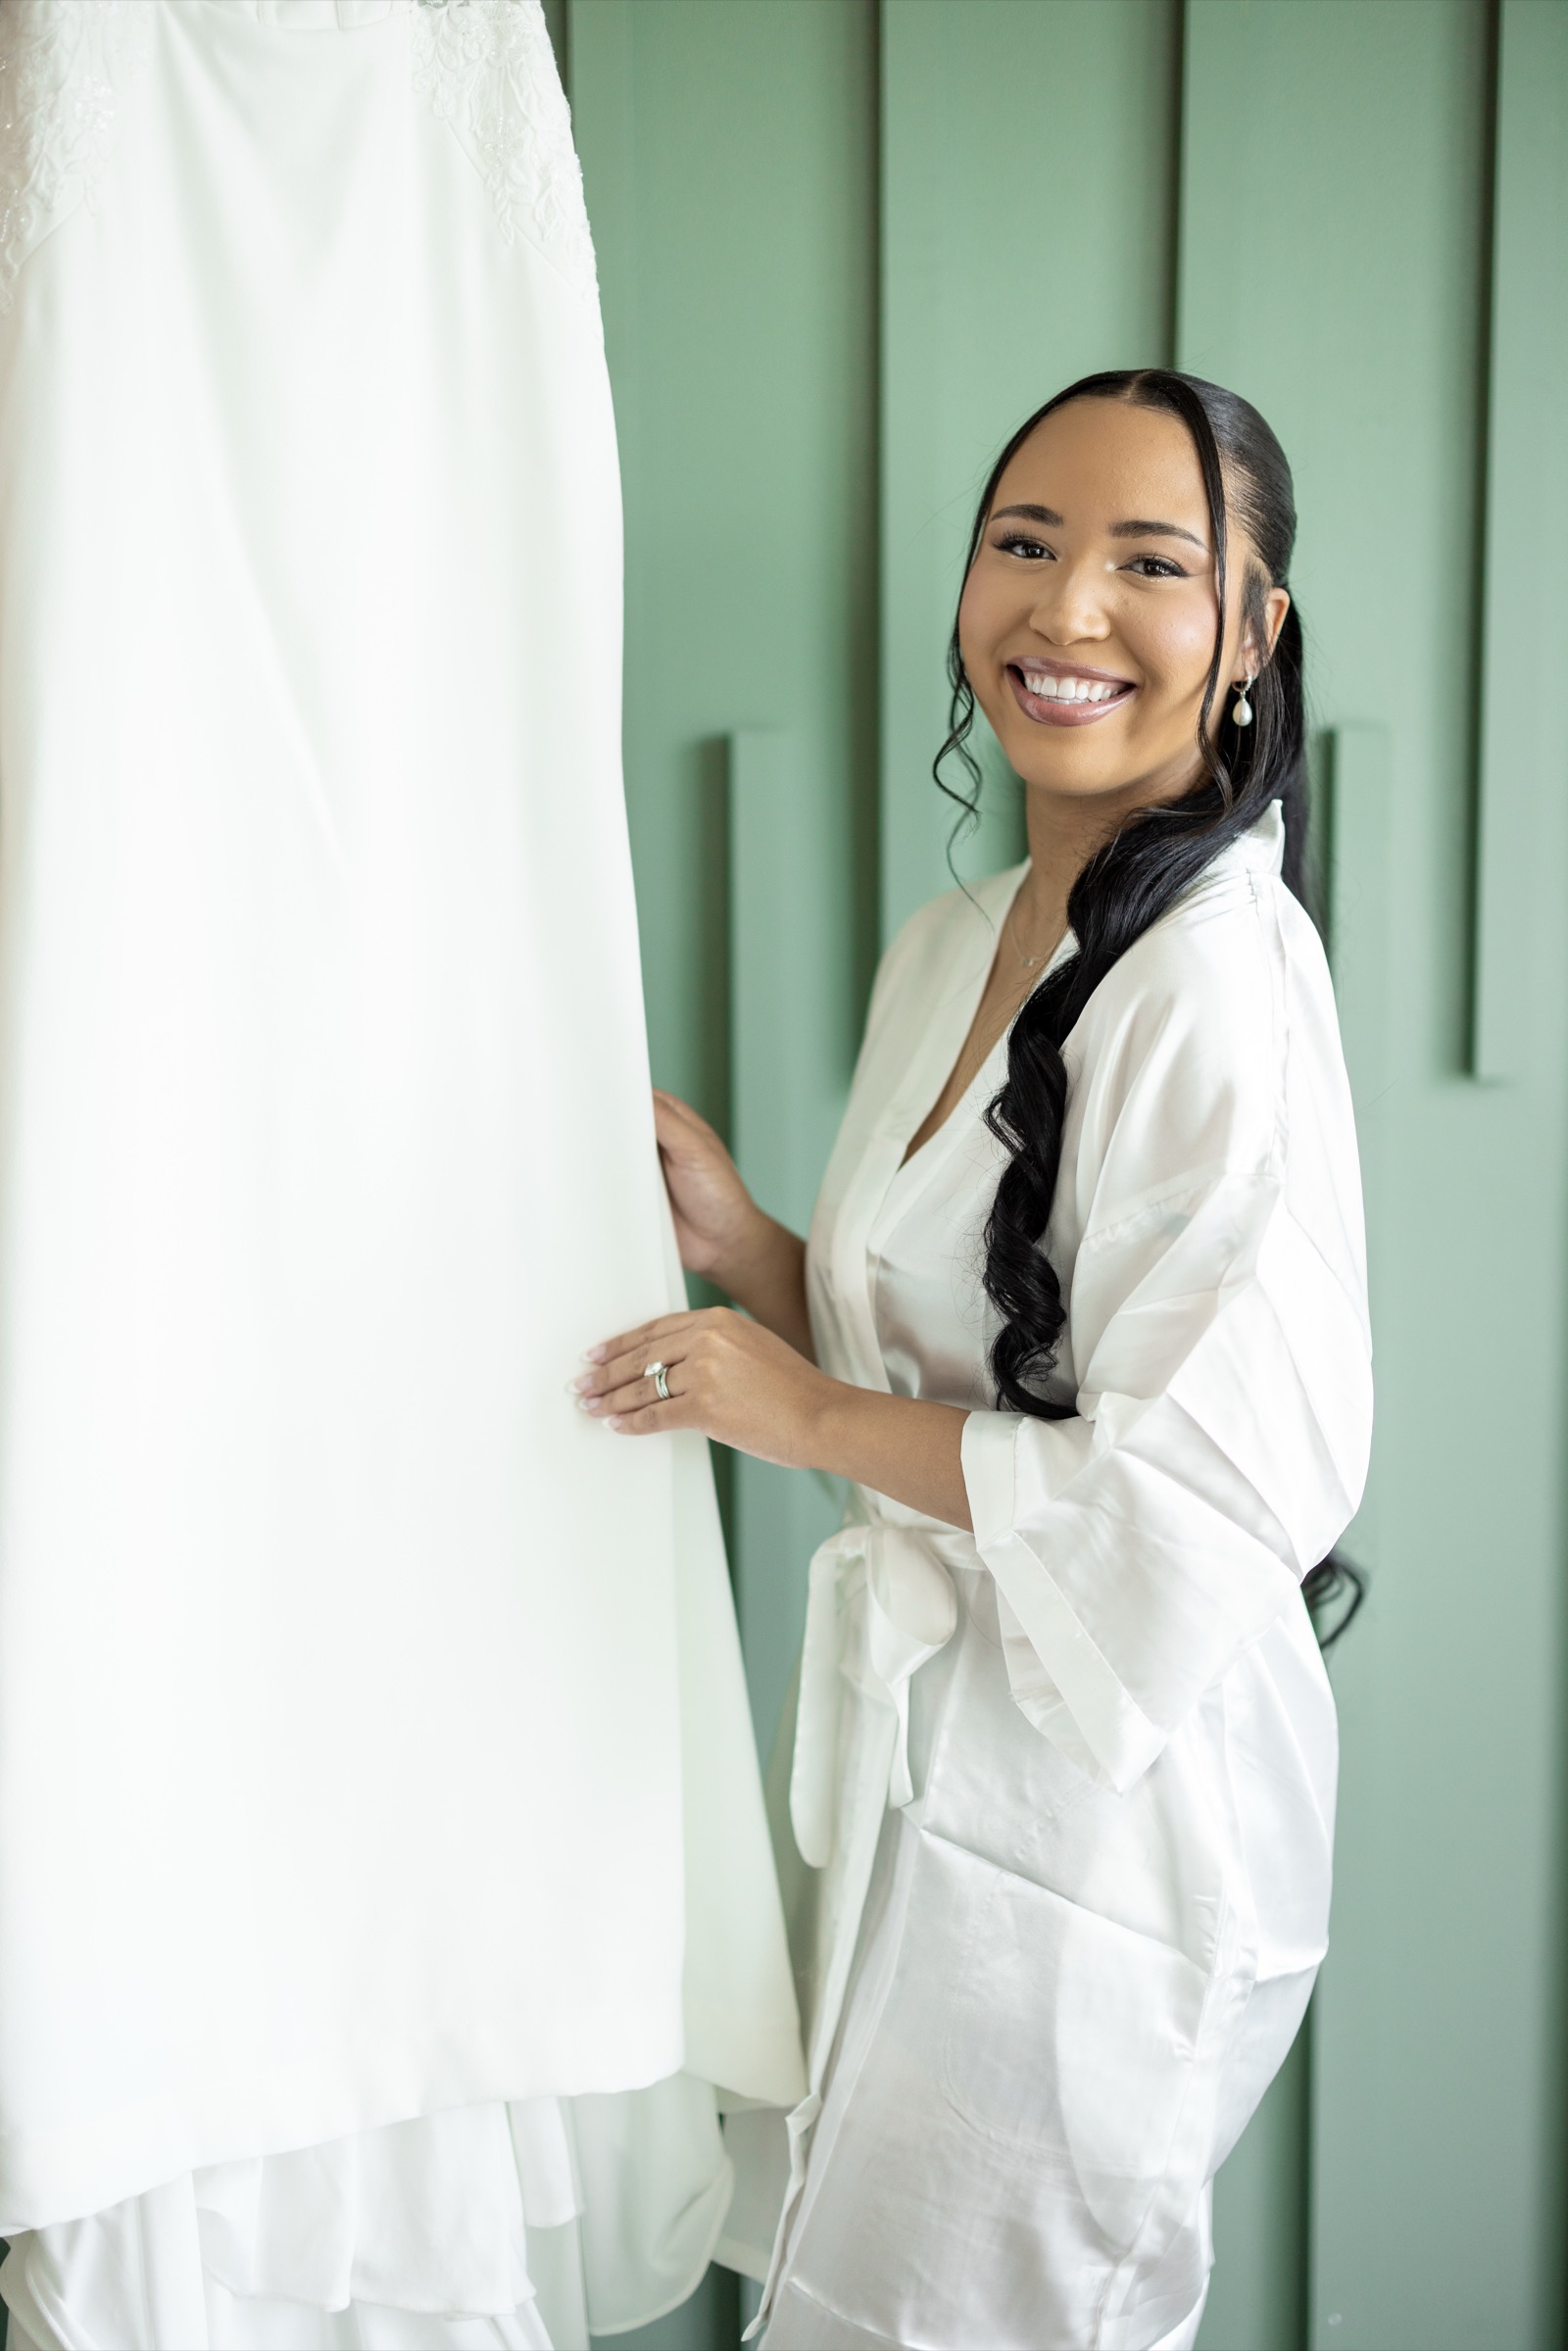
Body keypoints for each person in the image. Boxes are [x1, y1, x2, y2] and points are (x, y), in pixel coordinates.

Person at [0, 4, 800, 2345]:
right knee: (153, 1129)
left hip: (446, 747)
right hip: (119, 688)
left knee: (439, 1166)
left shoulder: (466, 64)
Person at [578, 369, 1373, 2351]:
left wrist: (799, 1414)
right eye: (1022, 545)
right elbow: (977, 1344)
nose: (1066, 611)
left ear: (1251, 633)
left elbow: (1193, 1491)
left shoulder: (1218, 982)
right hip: (926, 1771)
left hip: (1103, 1822)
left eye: (1147, 564)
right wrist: (748, 1244)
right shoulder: (957, 940)